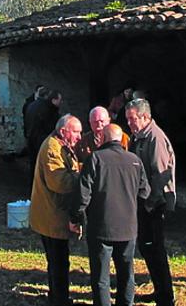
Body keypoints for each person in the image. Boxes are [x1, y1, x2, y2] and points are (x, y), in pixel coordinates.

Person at [70, 124, 151, 306]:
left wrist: (75, 217)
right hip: (128, 227)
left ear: (103, 139)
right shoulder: (134, 160)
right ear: (120, 139)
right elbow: (145, 193)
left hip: (101, 226)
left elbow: (83, 194)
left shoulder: (96, 159)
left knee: (101, 276)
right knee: (126, 273)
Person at [125, 98, 176, 306]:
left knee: (155, 249)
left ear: (145, 117)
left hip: (154, 204)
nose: (129, 123)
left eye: (132, 118)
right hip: (146, 202)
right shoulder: (139, 137)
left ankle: (165, 296)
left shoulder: (154, 138)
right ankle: (160, 289)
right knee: (148, 248)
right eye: (127, 118)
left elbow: (160, 175)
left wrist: (148, 203)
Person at [30, 114, 82, 306]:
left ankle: (56, 296)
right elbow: (59, 182)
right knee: (59, 262)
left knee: (55, 260)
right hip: (52, 215)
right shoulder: (53, 148)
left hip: (50, 213)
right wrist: (84, 176)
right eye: (75, 132)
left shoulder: (59, 145)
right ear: (63, 131)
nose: (79, 136)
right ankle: (60, 299)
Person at [26, 88, 63, 187]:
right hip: (42, 140)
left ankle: (32, 189)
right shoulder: (49, 110)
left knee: (33, 166)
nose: (60, 103)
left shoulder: (31, 105)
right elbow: (50, 127)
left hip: (31, 139)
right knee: (44, 167)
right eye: (59, 100)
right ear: (53, 100)